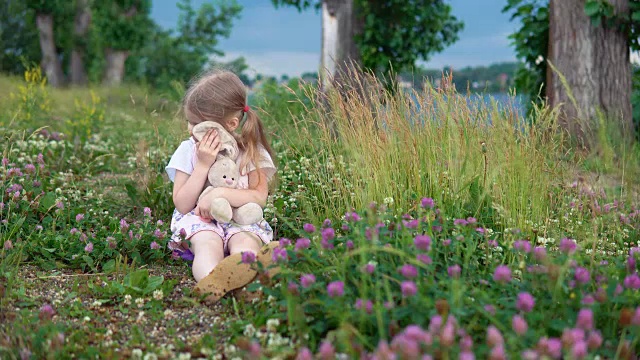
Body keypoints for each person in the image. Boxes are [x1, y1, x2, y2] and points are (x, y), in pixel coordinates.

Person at [165, 70, 278, 303]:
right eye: (189, 121)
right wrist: (203, 165)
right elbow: (183, 203)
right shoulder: (188, 150)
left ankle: (249, 284)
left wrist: (218, 193)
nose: (190, 129)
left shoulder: (251, 152)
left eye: (198, 124)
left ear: (231, 123)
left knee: (245, 241)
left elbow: (259, 197)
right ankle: (212, 282)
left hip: (241, 219)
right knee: (208, 243)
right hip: (201, 221)